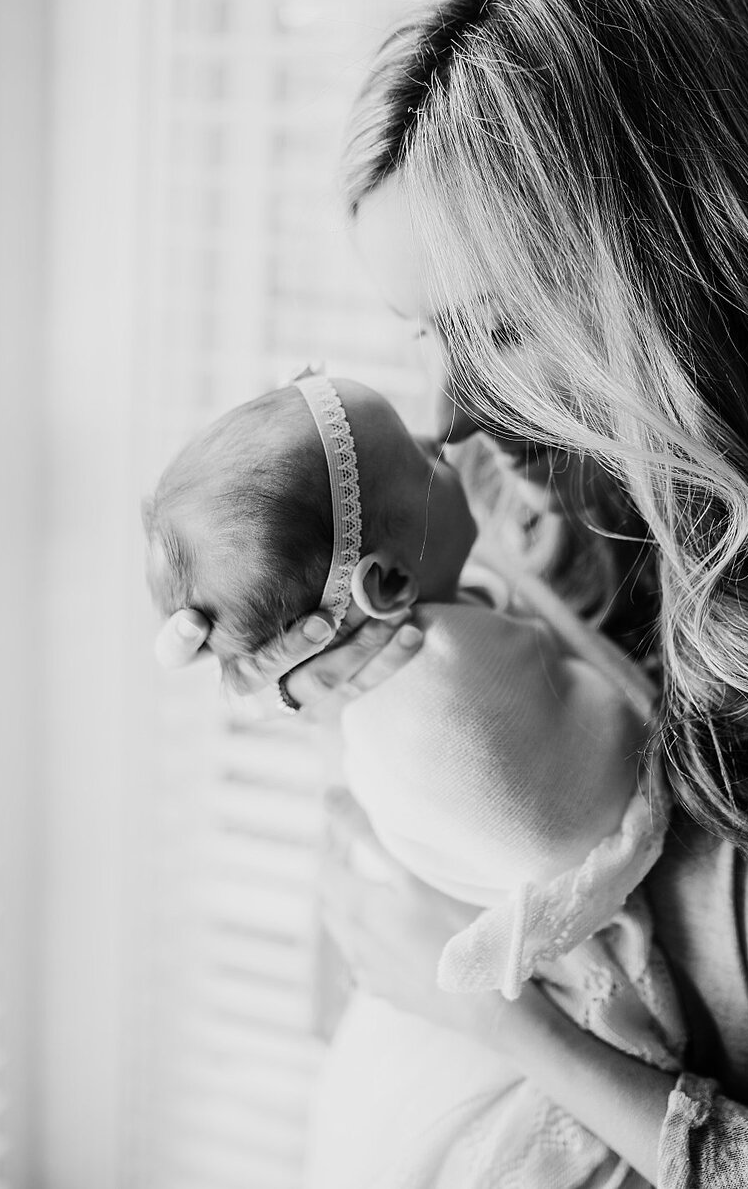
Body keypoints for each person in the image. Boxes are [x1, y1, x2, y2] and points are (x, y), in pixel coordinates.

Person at [157, 0, 748, 1183]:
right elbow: (355, 948)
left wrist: (500, 1016)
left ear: (662, 280)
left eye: (492, 330)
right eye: (420, 337)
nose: (448, 413)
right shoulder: (532, 545)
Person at [146, 375, 676, 1187]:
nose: (444, 441)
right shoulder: (450, 687)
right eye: (421, 461)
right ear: (388, 585)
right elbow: (573, 813)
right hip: (492, 1042)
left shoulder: (384, 664)